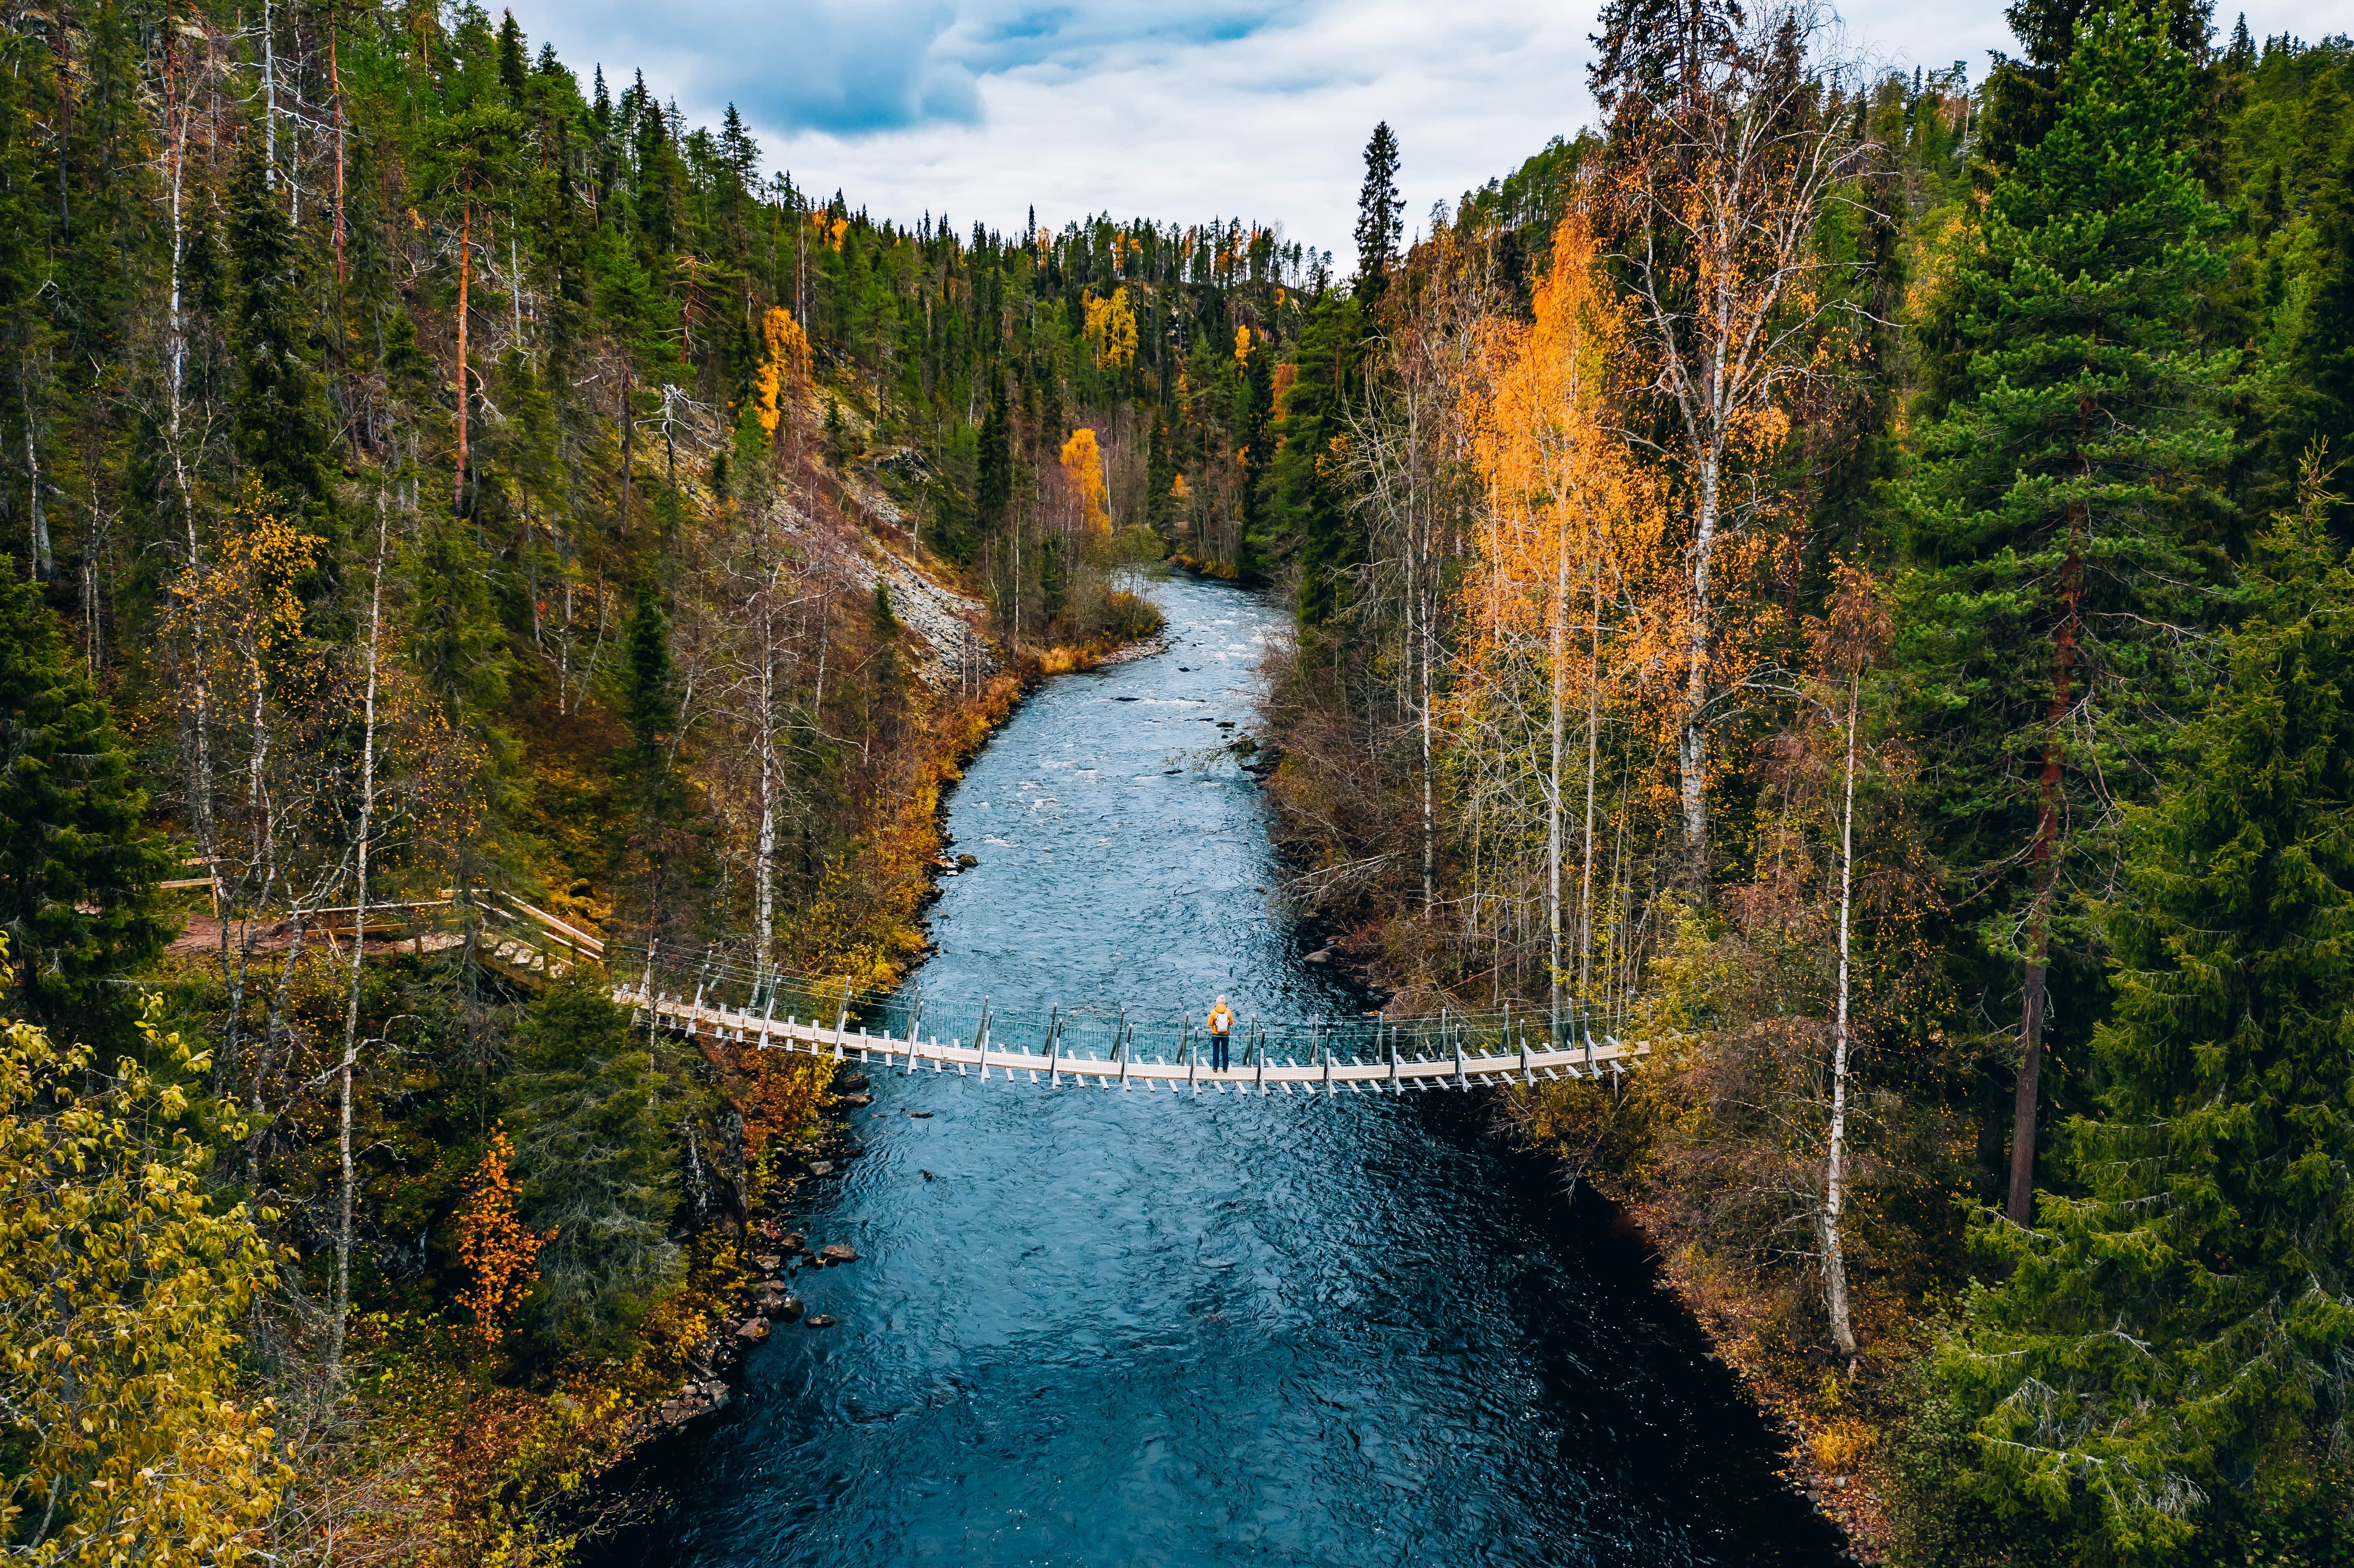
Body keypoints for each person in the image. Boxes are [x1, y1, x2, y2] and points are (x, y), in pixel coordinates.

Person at [1207, 994, 1235, 1072]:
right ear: (1224, 1003)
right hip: (1225, 1035)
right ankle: (1225, 1068)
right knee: (1225, 1051)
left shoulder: (1213, 1012)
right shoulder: (1228, 1012)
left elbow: (1210, 1024)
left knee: (1216, 1051)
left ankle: (1215, 1068)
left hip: (1216, 1034)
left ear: (1217, 1003)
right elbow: (1231, 1023)